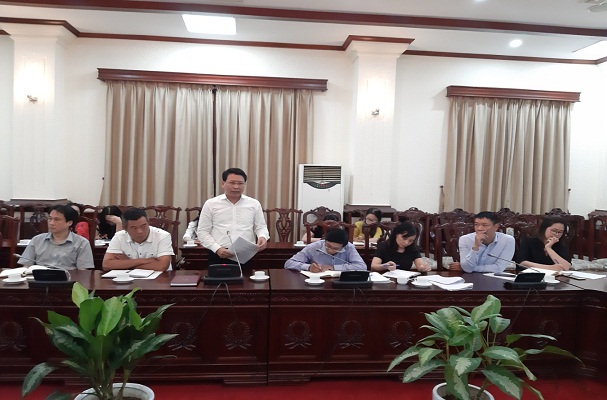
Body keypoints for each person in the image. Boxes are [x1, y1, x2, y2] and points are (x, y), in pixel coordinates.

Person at [196, 168, 269, 266]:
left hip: (246, 254)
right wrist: (216, 248)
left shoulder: (254, 204)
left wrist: (262, 237)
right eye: (232, 183)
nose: (236, 187)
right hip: (219, 254)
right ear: (223, 183)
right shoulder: (211, 204)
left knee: (247, 276)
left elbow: (261, 227)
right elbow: (202, 231)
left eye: (240, 183)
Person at [18, 205, 94, 270]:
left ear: (69, 222)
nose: (51, 223)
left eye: (56, 219)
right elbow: (26, 266)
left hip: (68, 280)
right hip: (40, 280)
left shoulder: (81, 243)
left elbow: (83, 271)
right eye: (50, 218)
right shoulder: (37, 240)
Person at [102, 207, 174, 271]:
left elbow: (162, 266)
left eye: (143, 226)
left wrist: (127, 263)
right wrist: (144, 261)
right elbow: (107, 265)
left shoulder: (162, 236)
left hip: (160, 279)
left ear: (148, 223)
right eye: (134, 228)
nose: (140, 231)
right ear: (125, 228)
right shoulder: (119, 236)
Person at [285, 228, 367, 272]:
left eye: (336, 249)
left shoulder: (349, 247)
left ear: (343, 246)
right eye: (328, 246)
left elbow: (362, 267)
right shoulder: (314, 247)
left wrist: (333, 267)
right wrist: (308, 267)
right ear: (325, 241)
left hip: (340, 283)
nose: (331, 250)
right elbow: (289, 263)